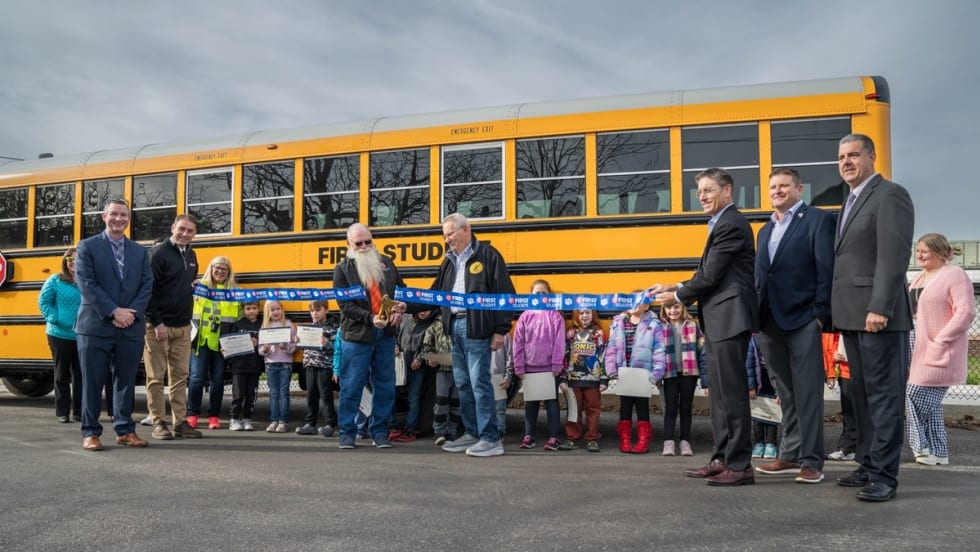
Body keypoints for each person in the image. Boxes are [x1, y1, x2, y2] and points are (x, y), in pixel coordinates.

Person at [652, 168, 758, 486]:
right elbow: (710, 274)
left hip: (729, 317)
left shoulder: (731, 224)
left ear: (728, 190)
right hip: (717, 319)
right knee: (719, 395)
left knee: (733, 394)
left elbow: (711, 276)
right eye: (699, 191)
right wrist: (676, 285)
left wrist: (678, 294)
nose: (702, 196)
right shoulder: (721, 223)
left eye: (709, 189)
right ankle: (722, 457)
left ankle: (739, 464)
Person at [832, 134, 915, 502]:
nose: (847, 162)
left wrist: (880, 306)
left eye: (854, 155)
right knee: (861, 396)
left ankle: (885, 475)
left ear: (872, 157)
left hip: (876, 316)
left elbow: (893, 256)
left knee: (883, 396)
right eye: (841, 157)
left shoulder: (890, 195)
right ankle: (866, 463)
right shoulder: (848, 201)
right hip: (852, 316)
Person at [754, 167, 836, 485]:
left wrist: (819, 314)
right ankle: (789, 454)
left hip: (804, 320)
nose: (777, 190)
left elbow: (826, 269)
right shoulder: (764, 230)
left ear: (799, 189)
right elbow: (763, 276)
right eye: (773, 186)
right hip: (769, 322)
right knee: (785, 392)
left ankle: (812, 461)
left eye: (784, 185)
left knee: (807, 393)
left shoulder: (817, 220)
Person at [433, 213, 516, 458]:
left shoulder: (488, 256)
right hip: (455, 328)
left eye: (450, 234)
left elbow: (505, 293)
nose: (447, 240)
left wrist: (501, 329)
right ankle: (471, 432)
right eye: (445, 235)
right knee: (463, 385)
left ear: (465, 230)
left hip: (477, 328)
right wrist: (408, 303)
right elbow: (435, 292)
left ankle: (491, 438)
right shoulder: (449, 261)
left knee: (480, 384)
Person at [74, 198, 153, 451]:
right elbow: (86, 282)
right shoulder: (87, 247)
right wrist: (113, 311)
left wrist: (130, 313)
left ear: (129, 219)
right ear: (103, 217)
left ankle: (125, 430)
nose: (119, 219)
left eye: (124, 215)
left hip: (130, 326)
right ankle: (91, 432)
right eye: (114, 214)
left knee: (126, 381)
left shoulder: (140, 251)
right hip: (95, 326)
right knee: (92, 381)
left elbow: (146, 284)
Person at [333, 223, 409, 450]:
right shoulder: (342, 269)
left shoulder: (387, 263)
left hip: (385, 334)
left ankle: (380, 432)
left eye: (368, 241)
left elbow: (400, 290)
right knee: (352, 386)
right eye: (359, 243)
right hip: (357, 337)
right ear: (349, 244)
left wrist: (399, 308)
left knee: (385, 386)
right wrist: (369, 318)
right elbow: (344, 305)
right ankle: (347, 433)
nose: (365, 246)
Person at [906, 233, 976, 466]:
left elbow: (965, 312)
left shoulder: (955, 275)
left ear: (938, 252)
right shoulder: (919, 277)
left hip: (938, 347)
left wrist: (941, 339)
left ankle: (921, 448)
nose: (919, 255)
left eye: (924, 251)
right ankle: (939, 451)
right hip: (914, 344)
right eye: (918, 250)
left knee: (913, 395)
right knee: (932, 405)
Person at [144, 214, 202, 440]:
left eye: (190, 231)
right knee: (156, 377)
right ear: (172, 228)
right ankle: (158, 422)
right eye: (182, 229)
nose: (185, 234)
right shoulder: (158, 254)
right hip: (159, 326)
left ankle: (180, 423)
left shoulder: (191, 254)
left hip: (183, 326)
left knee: (180, 377)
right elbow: (147, 291)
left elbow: (182, 284)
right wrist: (156, 322)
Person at [605, 298, 665, 455]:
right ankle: (624, 439)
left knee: (642, 406)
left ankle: (643, 440)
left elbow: (659, 349)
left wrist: (656, 373)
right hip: (624, 372)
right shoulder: (618, 323)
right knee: (625, 406)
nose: (633, 305)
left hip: (642, 374)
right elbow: (611, 348)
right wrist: (612, 370)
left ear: (646, 306)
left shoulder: (654, 325)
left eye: (638, 302)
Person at [513, 279, 567, 452]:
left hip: (549, 369)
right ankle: (529, 435)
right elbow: (518, 343)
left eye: (544, 293)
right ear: (531, 295)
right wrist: (519, 366)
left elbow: (560, 343)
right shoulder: (525, 316)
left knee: (552, 403)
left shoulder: (555, 316)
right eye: (536, 293)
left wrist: (557, 364)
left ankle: (554, 436)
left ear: (549, 296)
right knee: (531, 404)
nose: (540, 296)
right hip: (529, 369)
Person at [188, 256, 241, 430]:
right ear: (210, 269)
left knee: (217, 380)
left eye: (224, 269)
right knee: (196, 379)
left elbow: (239, 318)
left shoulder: (234, 292)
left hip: (222, 344)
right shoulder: (199, 289)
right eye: (216, 268)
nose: (219, 272)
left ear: (229, 272)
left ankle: (214, 416)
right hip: (200, 341)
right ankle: (192, 414)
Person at [38, 247, 83, 423]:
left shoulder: (87, 281)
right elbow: (43, 302)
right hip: (59, 333)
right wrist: (54, 318)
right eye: (70, 261)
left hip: (82, 334)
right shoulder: (55, 280)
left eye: (77, 261)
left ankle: (79, 411)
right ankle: (62, 411)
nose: (74, 265)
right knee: (62, 372)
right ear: (65, 263)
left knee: (81, 374)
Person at [658, 302, 704, 457]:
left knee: (686, 408)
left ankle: (685, 442)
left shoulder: (692, 325)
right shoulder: (660, 326)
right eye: (669, 308)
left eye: (676, 307)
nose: (673, 311)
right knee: (670, 408)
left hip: (688, 373)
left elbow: (700, 348)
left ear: (683, 308)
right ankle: (668, 442)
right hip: (669, 374)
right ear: (664, 309)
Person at [562, 308, 607, 453]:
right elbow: (565, 356)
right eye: (581, 313)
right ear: (576, 315)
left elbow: (604, 356)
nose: (584, 315)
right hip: (573, 379)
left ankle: (592, 438)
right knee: (574, 409)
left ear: (593, 314)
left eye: (588, 312)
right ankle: (572, 437)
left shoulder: (599, 333)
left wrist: (604, 379)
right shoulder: (570, 334)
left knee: (593, 409)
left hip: (593, 380)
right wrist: (563, 377)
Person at [390, 308, 438, 442]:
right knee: (391, 393)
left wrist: (420, 359)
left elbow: (430, 344)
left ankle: (410, 429)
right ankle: (393, 427)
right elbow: (394, 333)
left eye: (428, 310)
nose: (424, 312)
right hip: (401, 359)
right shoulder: (405, 318)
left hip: (417, 364)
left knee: (414, 397)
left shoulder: (432, 323)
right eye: (421, 309)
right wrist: (396, 346)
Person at [296, 300, 340, 437]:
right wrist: (299, 342)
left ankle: (330, 424)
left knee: (326, 396)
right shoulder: (309, 328)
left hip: (324, 366)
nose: (314, 313)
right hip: (310, 365)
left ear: (326, 310)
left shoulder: (332, 328)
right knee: (311, 396)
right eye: (312, 311)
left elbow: (336, 349)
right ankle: (310, 424)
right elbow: (305, 348)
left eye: (317, 310)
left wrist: (327, 343)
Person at [258, 299, 297, 433]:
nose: (275, 312)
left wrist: (285, 347)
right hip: (270, 364)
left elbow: (294, 346)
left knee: (284, 393)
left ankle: (283, 421)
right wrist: (265, 349)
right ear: (267, 312)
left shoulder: (288, 325)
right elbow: (260, 350)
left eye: (278, 309)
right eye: (272, 310)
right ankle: (274, 420)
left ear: (282, 310)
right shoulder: (265, 327)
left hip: (285, 364)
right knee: (273, 394)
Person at [423, 310, 459, 446]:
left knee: (456, 403)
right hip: (442, 371)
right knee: (441, 403)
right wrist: (430, 358)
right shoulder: (436, 325)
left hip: (458, 370)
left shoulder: (461, 323)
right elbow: (427, 345)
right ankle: (438, 432)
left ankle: (452, 432)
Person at [226, 301, 263, 431]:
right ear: (243, 310)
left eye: (254, 308)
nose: (251, 311)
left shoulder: (262, 325)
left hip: (255, 366)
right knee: (238, 394)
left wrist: (258, 342)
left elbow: (268, 344)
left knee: (251, 395)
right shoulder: (237, 324)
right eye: (248, 308)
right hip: (239, 366)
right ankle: (234, 419)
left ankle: (247, 419)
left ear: (259, 309)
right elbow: (228, 343)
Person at [823, 332, 856, 461]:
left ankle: (848, 447)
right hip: (844, 367)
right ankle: (849, 447)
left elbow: (829, 343)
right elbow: (828, 343)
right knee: (850, 412)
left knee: (852, 412)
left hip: (848, 366)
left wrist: (830, 371)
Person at [746, 334, 779, 461]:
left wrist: (779, 391)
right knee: (758, 414)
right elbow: (748, 364)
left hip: (773, 382)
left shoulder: (775, 337)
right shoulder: (753, 339)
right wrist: (750, 387)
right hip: (758, 382)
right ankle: (758, 443)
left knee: (773, 414)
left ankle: (771, 444)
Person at [491, 332, 514, 438]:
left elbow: (510, 357)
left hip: (498, 377)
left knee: (500, 409)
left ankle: (500, 433)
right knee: (483, 407)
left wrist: (508, 376)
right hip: (482, 376)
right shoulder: (479, 332)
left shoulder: (505, 335)